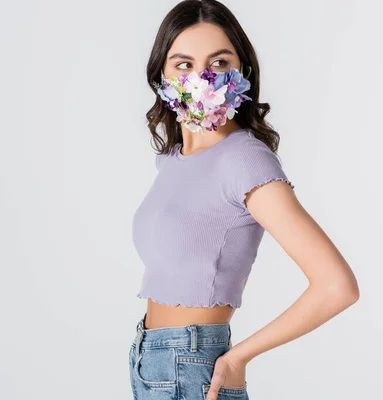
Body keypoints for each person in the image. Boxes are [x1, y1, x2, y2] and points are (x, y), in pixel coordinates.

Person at [128, 1, 360, 399]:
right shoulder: (171, 161)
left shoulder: (243, 159)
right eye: (183, 64)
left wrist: (238, 358)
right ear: (161, 76)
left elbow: (337, 286)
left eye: (218, 63)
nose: (201, 77)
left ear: (242, 72)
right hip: (150, 359)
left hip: (193, 367)